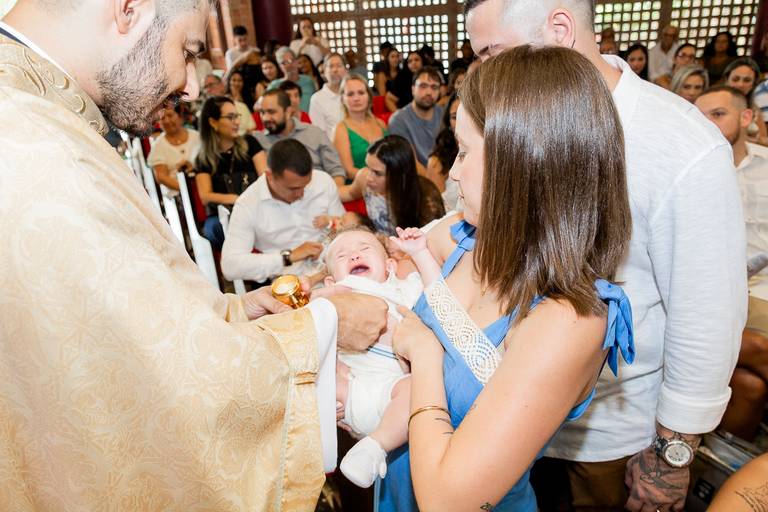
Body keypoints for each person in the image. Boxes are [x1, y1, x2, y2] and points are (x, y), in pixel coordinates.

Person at [0, 0, 391, 509]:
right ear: (129, 10)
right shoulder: (33, 146)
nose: (189, 86)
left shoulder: (45, 117)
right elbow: (155, 383)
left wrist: (235, 312)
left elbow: (119, 321)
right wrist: (326, 324)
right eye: (187, 51)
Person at [463, 1, 746, 510]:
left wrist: (671, 453)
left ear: (559, 29)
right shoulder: (504, 121)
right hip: (500, 412)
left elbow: (707, 314)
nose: (482, 72)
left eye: (491, 53)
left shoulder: (677, 143)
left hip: (606, 433)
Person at [380, 45, 635, 512]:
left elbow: (447, 501)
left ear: (520, 163)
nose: (451, 173)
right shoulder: (461, 237)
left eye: (463, 152)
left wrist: (424, 351)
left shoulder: (570, 319)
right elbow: (387, 264)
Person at [320, 226, 432, 488]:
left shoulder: (403, 291)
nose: (354, 255)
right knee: (313, 376)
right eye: (342, 255)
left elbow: (435, 293)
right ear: (330, 283)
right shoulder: (334, 299)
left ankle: (373, 448)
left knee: (416, 389)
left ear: (390, 265)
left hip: (392, 393)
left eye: (364, 248)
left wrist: (421, 253)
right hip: (351, 391)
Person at [695, 86, 768, 441]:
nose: (707, 123)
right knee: (757, 356)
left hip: (763, 287)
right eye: (700, 116)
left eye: (718, 114)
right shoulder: (692, 169)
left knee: (750, 386)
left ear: (746, 117)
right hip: (717, 292)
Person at [220, 139, 344, 283]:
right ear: (269, 176)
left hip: (336, 266)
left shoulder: (323, 181)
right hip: (291, 281)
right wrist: (288, 257)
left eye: (306, 185)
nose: (301, 194)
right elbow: (230, 266)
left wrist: (334, 236)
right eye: (293, 188)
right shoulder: (248, 204)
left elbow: (345, 227)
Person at [335, 135, 445, 235]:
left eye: (377, 173)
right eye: (368, 167)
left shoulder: (427, 199)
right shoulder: (364, 178)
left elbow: (433, 239)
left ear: (398, 174)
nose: (369, 177)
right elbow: (349, 193)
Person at [195, 96, 267, 248]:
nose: (237, 122)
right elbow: (205, 196)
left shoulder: (250, 143)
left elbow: (266, 178)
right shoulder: (204, 158)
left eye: (237, 116)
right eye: (230, 117)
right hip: (223, 214)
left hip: (255, 207)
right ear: (213, 122)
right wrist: (236, 199)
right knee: (217, 228)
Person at [256, 90, 347, 186]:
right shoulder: (258, 141)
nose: (265, 118)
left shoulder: (314, 133)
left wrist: (331, 192)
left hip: (319, 190)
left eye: (271, 112)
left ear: (288, 111)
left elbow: (336, 171)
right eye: (262, 112)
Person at [333, 74, 387, 181]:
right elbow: (349, 171)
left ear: (369, 96)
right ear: (342, 99)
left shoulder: (381, 124)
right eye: (350, 94)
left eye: (361, 93)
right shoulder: (340, 129)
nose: (356, 98)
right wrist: (380, 180)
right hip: (359, 186)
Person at [388, 67, 444, 167]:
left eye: (434, 87)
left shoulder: (444, 115)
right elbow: (409, 162)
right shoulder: (398, 120)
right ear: (413, 89)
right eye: (423, 86)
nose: (429, 92)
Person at [148, 104, 201, 192]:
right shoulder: (158, 146)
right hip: (178, 194)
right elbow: (161, 177)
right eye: (162, 118)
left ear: (179, 116)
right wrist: (188, 190)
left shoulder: (196, 137)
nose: (167, 121)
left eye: (170, 115)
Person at [426, 93, 460, 211]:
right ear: (448, 122)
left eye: (466, 115)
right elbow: (437, 211)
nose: (460, 122)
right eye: (454, 117)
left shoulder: (487, 153)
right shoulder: (437, 161)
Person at [724, 57, 768, 145]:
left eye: (747, 80)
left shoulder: (755, 109)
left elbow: (765, 140)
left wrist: (757, 141)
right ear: (727, 80)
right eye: (735, 79)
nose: (740, 84)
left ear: (753, 84)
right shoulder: (713, 105)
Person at [309, 52, 347, 142]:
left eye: (339, 66)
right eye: (331, 66)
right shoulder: (317, 99)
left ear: (346, 70)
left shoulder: (352, 94)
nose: (335, 70)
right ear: (324, 72)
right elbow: (319, 134)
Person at [268, 47, 316, 113]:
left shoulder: (308, 81)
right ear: (280, 66)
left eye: (291, 60)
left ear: (296, 61)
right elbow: (259, 105)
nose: (289, 65)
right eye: (284, 63)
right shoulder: (274, 85)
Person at [225, 69, 256, 134]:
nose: (236, 83)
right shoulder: (225, 99)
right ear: (229, 82)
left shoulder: (249, 98)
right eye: (234, 80)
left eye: (239, 81)